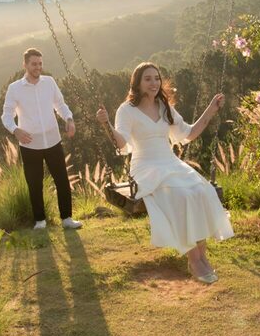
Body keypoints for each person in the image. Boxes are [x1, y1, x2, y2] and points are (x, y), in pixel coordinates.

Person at [96, 62, 233, 283]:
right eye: (148, 79)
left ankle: (202, 255)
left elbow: (188, 133)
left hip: (170, 163)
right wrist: (107, 126)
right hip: (146, 166)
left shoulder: (163, 105)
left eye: (157, 78)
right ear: (137, 83)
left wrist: (211, 109)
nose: (154, 83)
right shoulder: (126, 110)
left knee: (201, 190)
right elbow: (121, 144)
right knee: (182, 196)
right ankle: (194, 259)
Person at [1, 48, 82, 230]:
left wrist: (69, 119)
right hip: (30, 144)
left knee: (62, 179)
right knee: (34, 183)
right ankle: (40, 221)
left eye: (40, 64)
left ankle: (67, 219)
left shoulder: (49, 82)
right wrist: (15, 130)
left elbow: (60, 105)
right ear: (25, 65)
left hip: (53, 140)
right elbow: (6, 115)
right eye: (34, 64)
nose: (38, 67)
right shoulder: (15, 89)